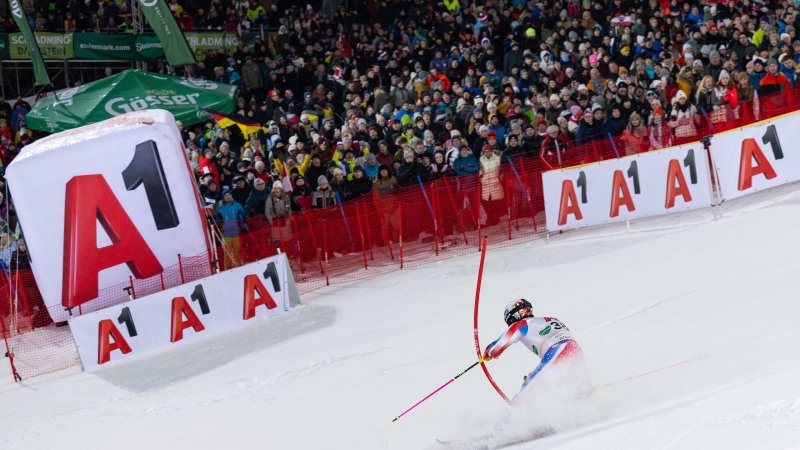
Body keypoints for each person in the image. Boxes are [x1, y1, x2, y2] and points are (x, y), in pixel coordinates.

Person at [482, 299, 590, 399]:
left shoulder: (522, 324)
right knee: (578, 391)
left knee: (527, 389)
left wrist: (488, 352)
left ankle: (516, 410)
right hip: (575, 350)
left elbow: (495, 349)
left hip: (558, 350)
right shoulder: (550, 319)